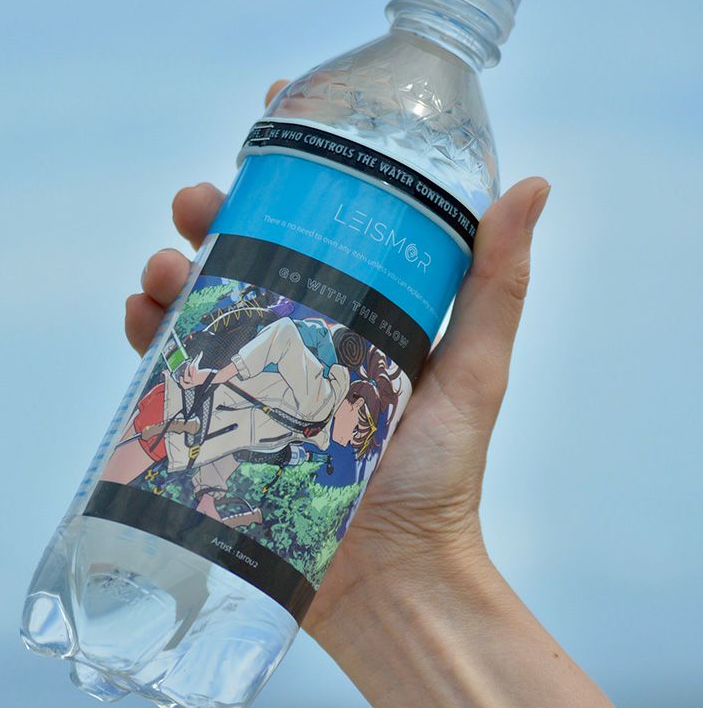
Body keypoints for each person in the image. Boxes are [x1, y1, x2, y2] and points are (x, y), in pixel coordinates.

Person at [123, 81, 614, 707]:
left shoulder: (315, 432)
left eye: (359, 433)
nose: (357, 435)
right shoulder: (317, 394)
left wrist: (401, 561)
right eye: (361, 424)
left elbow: (261, 439)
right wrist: (218, 376)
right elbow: (279, 339)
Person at [103, 313, 400, 527]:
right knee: (102, 503)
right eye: (360, 431)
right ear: (355, 403)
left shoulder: (311, 427)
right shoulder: (320, 402)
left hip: (180, 424)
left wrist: (208, 494)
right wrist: (214, 377)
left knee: (103, 503)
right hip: (173, 418)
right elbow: (283, 334)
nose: (351, 442)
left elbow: (239, 436)